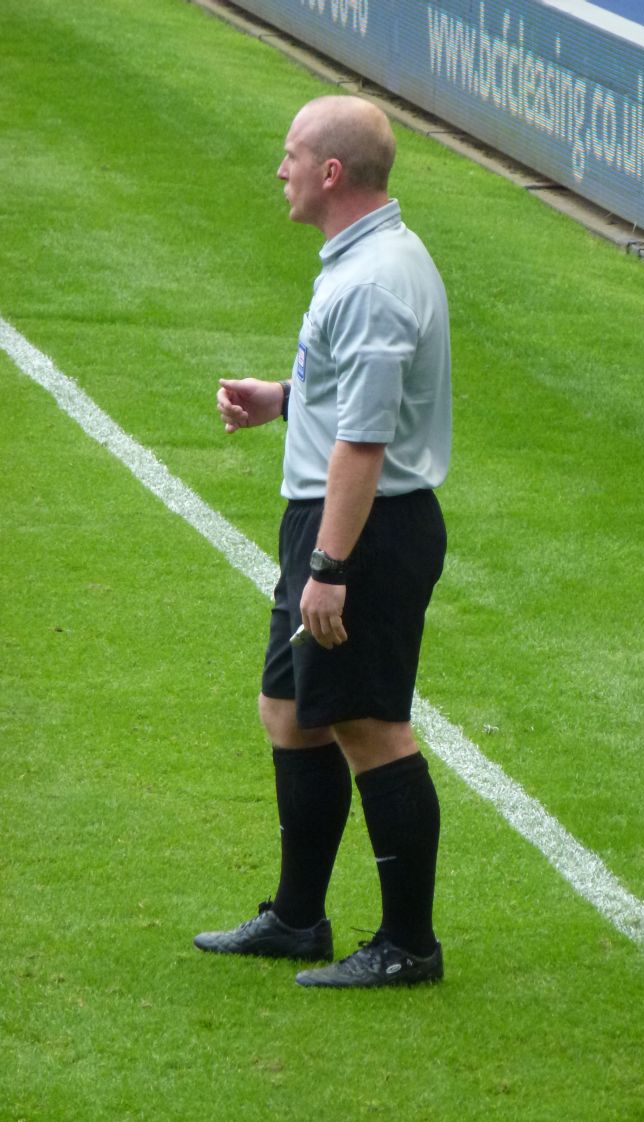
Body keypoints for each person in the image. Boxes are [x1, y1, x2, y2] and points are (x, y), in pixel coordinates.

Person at [193, 95, 451, 988]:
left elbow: (368, 440)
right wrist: (279, 397)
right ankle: (298, 917)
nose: (282, 170)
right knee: (290, 712)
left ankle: (408, 945)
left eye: (292, 154)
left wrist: (331, 566)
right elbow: (346, 395)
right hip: (331, 518)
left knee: (369, 727)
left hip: (365, 529)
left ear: (331, 172)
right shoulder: (357, 262)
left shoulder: (376, 278)